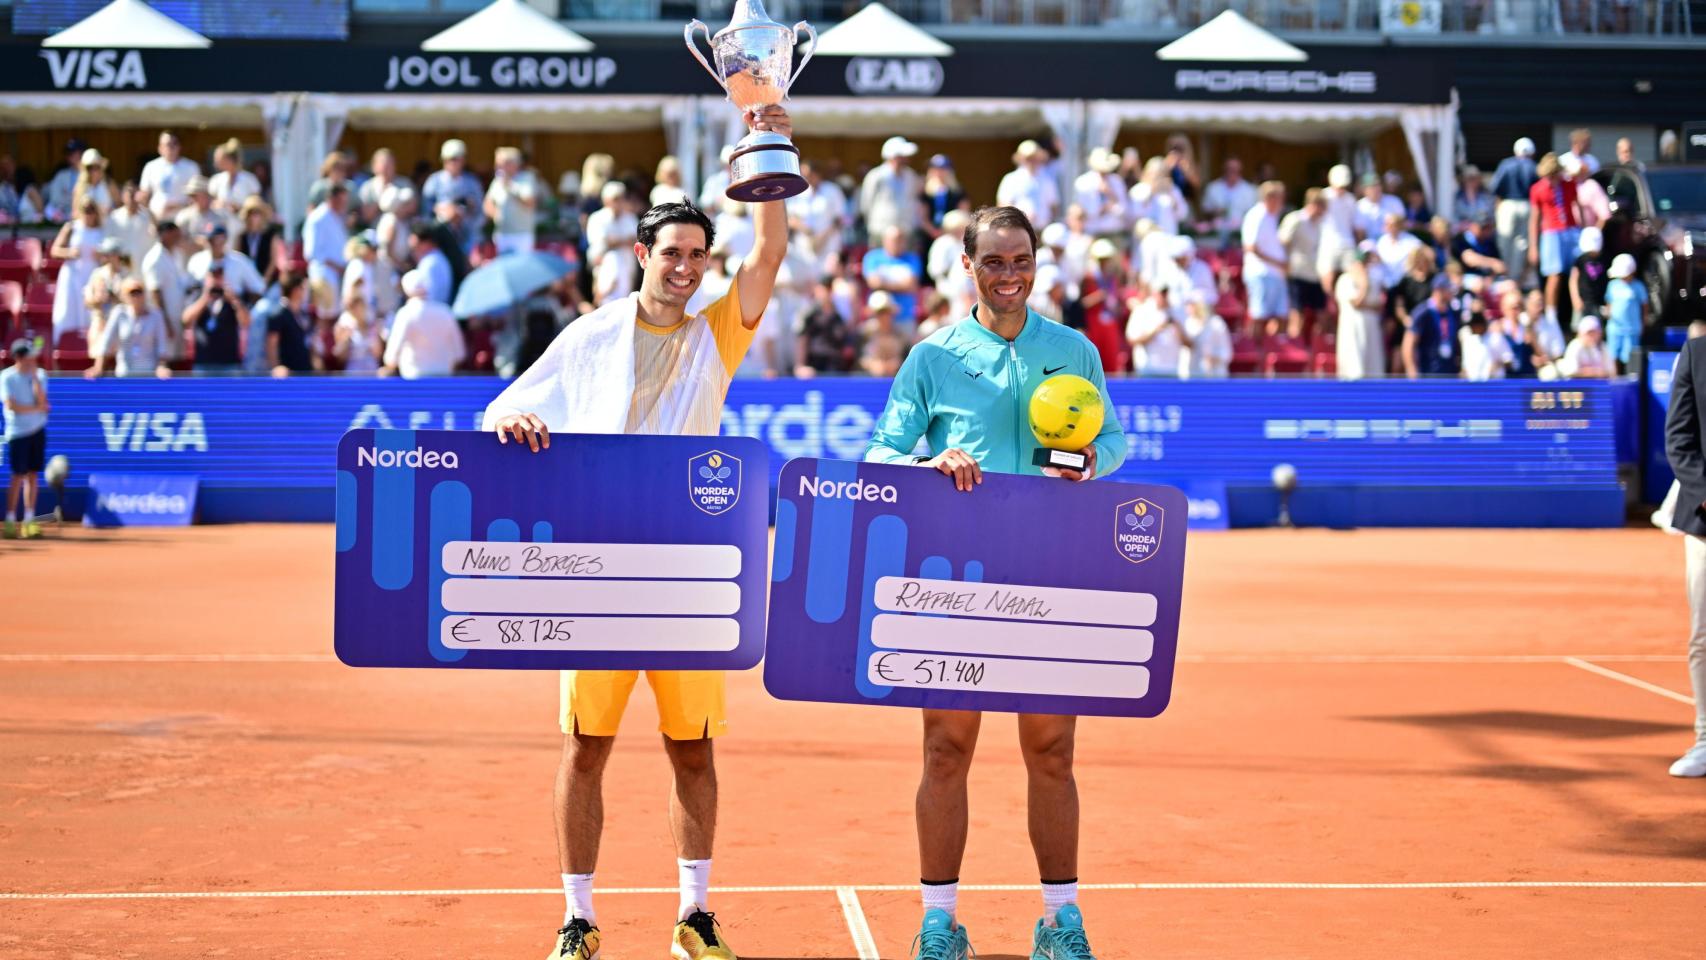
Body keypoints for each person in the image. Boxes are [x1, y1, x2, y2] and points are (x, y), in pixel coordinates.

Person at [482, 105, 795, 960]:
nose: (688, 268)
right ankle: (578, 920)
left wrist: (767, 132)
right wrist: (514, 427)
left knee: (692, 751)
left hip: (690, 574)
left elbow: (769, 252)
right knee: (586, 748)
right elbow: (506, 408)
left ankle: (695, 916)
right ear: (641, 255)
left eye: (698, 255)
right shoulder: (588, 338)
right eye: (674, 254)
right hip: (599, 573)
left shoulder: (717, 337)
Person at [865, 204, 1126, 960]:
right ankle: (940, 923)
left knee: (1052, 754)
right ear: (968, 267)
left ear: (1036, 265)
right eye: (993, 263)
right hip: (956, 578)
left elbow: (1111, 439)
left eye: (1020, 262)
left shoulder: (1072, 350)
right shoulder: (933, 355)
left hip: (1052, 571)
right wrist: (929, 463)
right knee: (946, 749)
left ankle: (1061, 921)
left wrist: (1090, 464)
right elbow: (881, 453)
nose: (1008, 277)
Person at [1661, 328, 1706, 776]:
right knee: (1704, 634)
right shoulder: (1695, 354)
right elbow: (1678, 439)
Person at [1529, 153, 1584, 326]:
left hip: (1571, 230)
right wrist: (1533, 246)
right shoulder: (1538, 189)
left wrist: (1582, 230)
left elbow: (1578, 207)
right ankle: (1551, 316)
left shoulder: (1569, 184)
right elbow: (1534, 218)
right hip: (1551, 233)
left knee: (1577, 272)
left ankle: (1578, 313)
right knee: (1555, 276)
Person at [2, 338, 49, 539]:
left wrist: (35, 381)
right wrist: (37, 409)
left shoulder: (40, 375)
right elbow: (11, 405)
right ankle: (11, 520)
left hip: (37, 430)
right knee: (17, 476)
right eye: (28, 356)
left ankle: (29, 520)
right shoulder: (6, 377)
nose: (33, 359)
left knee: (32, 475)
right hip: (17, 433)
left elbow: (43, 402)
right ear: (19, 358)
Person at [381, 270, 464, 378]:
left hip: (415, 382)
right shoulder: (445, 312)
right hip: (444, 380)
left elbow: (391, 357)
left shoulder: (406, 314)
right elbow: (459, 354)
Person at [87, 278, 172, 379]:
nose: (136, 296)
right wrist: (98, 367)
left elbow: (162, 346)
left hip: (150, 374)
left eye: (139, 291)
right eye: (132, 293)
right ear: (125, 296)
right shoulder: (119, 313)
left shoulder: (156, 315)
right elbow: (106, 341)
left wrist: (161, 367)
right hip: (124, 374)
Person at [50, 198, 104, 338]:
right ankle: (63, 344)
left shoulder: (102, 231)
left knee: (89, 315)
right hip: (71, 277)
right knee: (68, 313)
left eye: (91, 210)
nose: (88, 214)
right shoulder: (71, 227)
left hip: (92, 277)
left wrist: (100, 256)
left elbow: (108, 258)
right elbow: (54, 250)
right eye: (85, 210)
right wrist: (69, 252)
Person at [1241, 181, 1289, 335]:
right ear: (1270, 198)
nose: (1282, 202)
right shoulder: (1257, 215)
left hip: (1275, 273)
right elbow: (1251, 247)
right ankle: (1254, 352)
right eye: (1279, 198)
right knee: (1258, 316)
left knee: (1281, 316)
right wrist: (1278, 262)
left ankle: (1273, 352)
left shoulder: (1271, 216)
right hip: (1260, 273)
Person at [421, 139, 485, 253]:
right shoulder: (434, 181)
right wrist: (443, 210)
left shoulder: (472, 182)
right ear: (443, 160)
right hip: (441, 236)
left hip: (467, 236)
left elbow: (480, 213)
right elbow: (425, 212)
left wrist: (467, 209)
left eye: (457, 159)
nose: (454, 163)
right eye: (451, 159)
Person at [184, 262, 249, 372]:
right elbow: (186, 320)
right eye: (213, 276)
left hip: (229, 364)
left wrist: (234, 301)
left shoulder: (232, 299)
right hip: (203, 363)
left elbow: (245, 322)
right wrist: (205, 298)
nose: (216, 280)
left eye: (219, 277)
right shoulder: (198, 296)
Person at [1491, 138, 1539, 283]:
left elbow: (1495, 188)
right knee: (1521, 244)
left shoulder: (1506, 164)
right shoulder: (1533, 166)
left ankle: (1505, 275)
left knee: (1505, 241)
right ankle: (1514, 277)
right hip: (1527, 205)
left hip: (1508, 205)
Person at [1279, 188, 1325, 337]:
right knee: (1297, 314)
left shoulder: (1321, 223)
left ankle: (1316, 349)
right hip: (1297, 273)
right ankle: (1294, 349)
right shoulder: (1295, 219)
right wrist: (1285, 264)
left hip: (1315, 274)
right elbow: (1283, 242)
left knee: (1321, 315)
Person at [1335, 245, 1386, 380]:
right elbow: (1356, 303)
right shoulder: (1345, 280)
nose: (1365, 266)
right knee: (1355, 368)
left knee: (1373, 369)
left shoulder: (1374, 281)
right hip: (1353, 330)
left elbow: (1378, 306)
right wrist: (1364, 285)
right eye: (1363, 262)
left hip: (1371, 330)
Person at [860, 137, 922, 243]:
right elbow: (866, 204)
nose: (906, 159)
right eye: (902, 156)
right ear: (893, 157)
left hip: (906, 231)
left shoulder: (910, 176)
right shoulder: (876, 176)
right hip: (880, 231)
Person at [863, 226, 925, 331]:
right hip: (878, 317)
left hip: (904, 318)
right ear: (885, 241)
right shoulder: (873, 257)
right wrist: (901, 285)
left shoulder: (912, 259)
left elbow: (911, 286)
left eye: (901, 240)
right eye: (894, 240)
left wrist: (884, 284)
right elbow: (874, 283)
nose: (898, 243)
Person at [486, 146, 541, 256]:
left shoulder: (527, 178)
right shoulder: (497, 181)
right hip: (502, 234)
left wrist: (510, 187)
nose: (498, 167)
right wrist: (497, 216)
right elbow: (487, 204)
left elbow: (530, 203)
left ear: (513, 164)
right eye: (497, 164)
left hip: (522, 235)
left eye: (501, 164)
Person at [1403, 274, 1460, 378]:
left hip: (1449, 373)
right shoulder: (1423, 312)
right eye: (1448, 289)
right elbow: (1408, 343)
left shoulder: (1452, 312)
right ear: (1439, 290)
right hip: (1428, 373)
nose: (1451, 292)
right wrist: (1411, 369)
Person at [187, 224, 265, 301]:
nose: (216, 243)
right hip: (204, 307)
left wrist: (236, 297)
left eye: (219, 239)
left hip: (232, 307)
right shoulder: (196, 260)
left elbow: (258, 288)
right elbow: (187, 289)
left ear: (225, 239)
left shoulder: (239, 260)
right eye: (212, 240)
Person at [997, 140, 1060, 230]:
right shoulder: (1011, 179)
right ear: (1021, 159)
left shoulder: (1047, 179)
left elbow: (1053, 205)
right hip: (1019, 229)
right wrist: (1021, 217)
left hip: (1042, 229)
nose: (1032, 161)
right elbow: (1003, 205)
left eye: (1034, 157)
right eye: (1028, 158)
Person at [139, 131, 201, 222]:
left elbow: (198, 196)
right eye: (167, 144)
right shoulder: (151, 166)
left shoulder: (191, 167)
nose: (171, 148)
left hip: (182, 218)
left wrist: (176, 206)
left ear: (179, 147)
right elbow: (144, 193)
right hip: (156, 218)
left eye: (174, 144)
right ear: (160, 148)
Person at [1317, 164, 1358, 295]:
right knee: (1327, 280)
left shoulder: (1351, 199)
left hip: (1348, 243)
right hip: (1328, 244)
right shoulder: (1323, 196)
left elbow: (1355, 225)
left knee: (1352, 278)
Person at [1604, 252, 1648, 373]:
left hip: (1632, 329)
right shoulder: (1612, 285)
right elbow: (1609, 303)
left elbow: (1644, 306)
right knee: (1613, 355)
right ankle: (1614, 379)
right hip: (1614, 328)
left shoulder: (1638, 286)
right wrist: (1608, 313)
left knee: (1630, 357)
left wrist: (1643, 323)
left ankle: (1629, 379)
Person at [265, 273, 316, 376]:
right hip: (287, 375)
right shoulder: (278, 314)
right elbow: (271, 344)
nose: (307, 293)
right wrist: (276, 367)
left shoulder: (303, 314)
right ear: (296, 290)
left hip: (305, 372)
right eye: (304, 288)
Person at [1127, 286, 1184, 377]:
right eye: (1162, 293)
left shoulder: (1178, 311)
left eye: (1166, 293)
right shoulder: (1142, 311)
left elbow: (1190, 343)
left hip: (1172, 371)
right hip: (1148, 370)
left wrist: (1177, 326)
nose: (1165, 296)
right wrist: (1155, 331)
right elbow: (1132, 339)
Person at [1074, 147, 1129, 237]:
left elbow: (1124, 210)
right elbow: (1085, 212)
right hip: (1092, 232)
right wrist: (1103, 208)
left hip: (1114, 231)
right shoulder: (1083, 182)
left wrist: (1110, 194)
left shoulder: (1116, 181)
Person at [305, 183, 350, 290]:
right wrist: (337, 267)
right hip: (323, 276)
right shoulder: (317, 218)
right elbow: (312, 252)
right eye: (341, 201)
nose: (344, 204)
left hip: (338, 276)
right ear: (331, 199)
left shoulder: (337, 217)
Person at [1201, 157, 1257, 245]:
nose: (1231, 172)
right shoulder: (1213, 187)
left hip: (1239, 236)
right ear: (1224, 170)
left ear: (1240, 171)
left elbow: (1253, 214)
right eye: (1229, 169)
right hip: (1216, 235)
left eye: (1235, 170)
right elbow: (1205, 211)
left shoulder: (1249, 190)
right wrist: (1215, 212)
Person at [333, 287, 384, 373]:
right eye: (353, 307)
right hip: (353, 374)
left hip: (371, 372)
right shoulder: (342, 327)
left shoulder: (373, 326)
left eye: (360, 306)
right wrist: (345, 339)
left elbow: (378, 354)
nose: (357, 310)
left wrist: (376, 335)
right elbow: (339, 357)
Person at [1569, 226, 1610, 327]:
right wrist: (1576, 298)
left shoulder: (1604, 259)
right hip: (1583, 301)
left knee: (1597, 327)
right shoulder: (1580, 260)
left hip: (1598, 301)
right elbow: (1573, 280)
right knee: (1580, 327)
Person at [107, 182, 155, 267]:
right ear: (123, 196)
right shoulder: (114, 217)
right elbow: (109, 242)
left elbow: (155, 233)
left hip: (143, 265)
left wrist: (148, 208)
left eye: (134, 194)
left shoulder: (148, 215)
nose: (132, 198)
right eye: (129, 194)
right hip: (123, 267)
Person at [859, 290, 906, 376]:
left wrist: (897, 364)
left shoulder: (901, 334)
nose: (884, 316)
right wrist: (871, 364)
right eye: (879, 312)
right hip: (869, 381)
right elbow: (859, 358)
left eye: (886, 312)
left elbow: (907, 358)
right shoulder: (864, 332)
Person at [209, 139, 261, 215]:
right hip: (222, 223)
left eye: (219, 159)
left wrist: (241, 208)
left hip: (243, 222)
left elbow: (257, 204)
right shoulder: (216, 180)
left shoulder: (250, 179)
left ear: (229, 159)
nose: (216, 162)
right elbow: (210, 202)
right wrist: (220, 204)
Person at [922, 154, 965, 231]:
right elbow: (922, 216)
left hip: (952, 231)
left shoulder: (958, 190)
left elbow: (962, 213)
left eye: (943, 168)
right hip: (928, 234)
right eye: (935, 168)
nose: (939, 171)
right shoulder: (924, 190)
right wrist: (933, 231)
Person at [71, 148, 113, 221]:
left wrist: (110, 212)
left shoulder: (109, 184)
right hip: (87, 227)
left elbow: (120, 206)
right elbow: (75, 213)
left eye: (96, 167)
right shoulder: (79, 188)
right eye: (90, 168)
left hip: (107, 225)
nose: (93, 171)